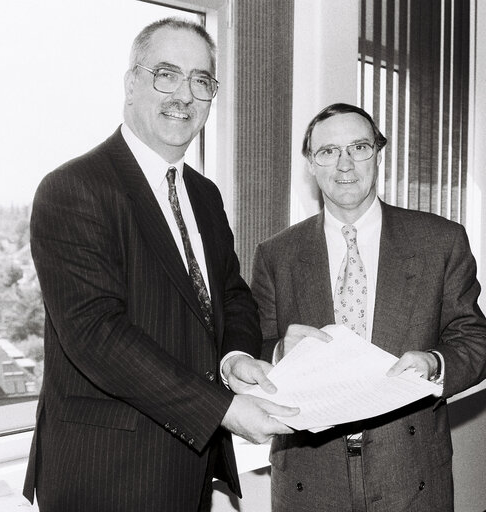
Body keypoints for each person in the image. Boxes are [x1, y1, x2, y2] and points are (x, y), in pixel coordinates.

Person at [22, 18, 297, 512]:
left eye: (201, 81)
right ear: (131, 84)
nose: (185, 95)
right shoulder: (73, 189)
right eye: (167, 74)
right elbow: (96, 336)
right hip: (106, 475)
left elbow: (231, 295)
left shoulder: (205, 195)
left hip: (191, 468)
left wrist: (234, 359)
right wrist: (224, 410)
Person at [250, 103, 486, 512]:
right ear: (311, 164)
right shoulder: (276, 254)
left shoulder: (440, 241)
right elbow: (252, 344)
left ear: (378, 154)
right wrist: (277, 353)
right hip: (308, 476)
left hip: (411, 470)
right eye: (328, 151)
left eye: (359, 147)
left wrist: (435, 363)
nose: (344, 163)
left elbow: (477, 341)